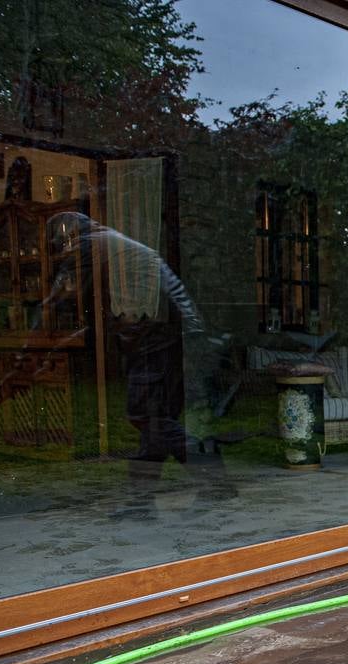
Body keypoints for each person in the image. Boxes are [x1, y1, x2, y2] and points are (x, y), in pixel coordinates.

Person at [49, 212, 230, 517]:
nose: (65, 246)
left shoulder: (96, 243)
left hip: (161, 336)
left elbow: (65, 293)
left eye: (64, 240)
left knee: (148, 416)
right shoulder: (112, 243)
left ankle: (213, 477)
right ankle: (142, 503)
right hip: (167, 335)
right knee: (153, 428)